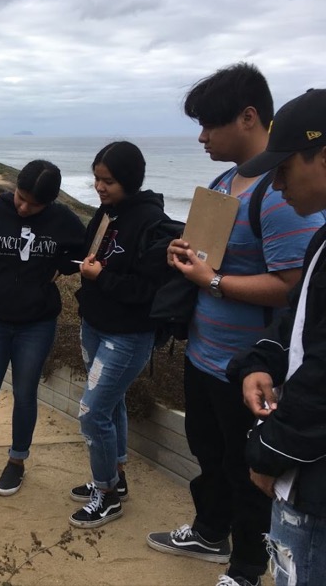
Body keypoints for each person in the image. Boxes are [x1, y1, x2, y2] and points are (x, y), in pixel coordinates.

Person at [145, 63, 324, 586]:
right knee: (211, 454)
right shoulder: (228, 181)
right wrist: (188, 255)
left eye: (209, 123)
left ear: (248, 117)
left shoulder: (285, 194)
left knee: (249, 474)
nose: (200, 136)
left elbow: (293, 285)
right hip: (207, 354)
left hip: (249, 368)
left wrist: (213, 281)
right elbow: (214, 258)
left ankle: (246, 568)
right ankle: (209, 530)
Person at [227, 88, 326, 586]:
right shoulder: (321, 239)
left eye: (285, 168)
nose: (278, 183)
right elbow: (298, 324)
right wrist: (259, 362)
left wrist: (270, 454)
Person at [0, 159, 85, 496]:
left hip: (37, 326)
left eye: (33, 204)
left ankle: (16, 462)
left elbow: (85, 251)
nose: (23, 207)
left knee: (25, 395)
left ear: (50, 202)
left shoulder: (61, 219)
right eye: (20, 197)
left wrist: (60, 266)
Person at [69, 142, 170, 528]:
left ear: (128, 179)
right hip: (95, 323)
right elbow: (90, 254)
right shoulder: (107, 212)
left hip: (127, 335)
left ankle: (106, 495)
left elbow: (150, 291)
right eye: (96, 178)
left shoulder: (150, 221)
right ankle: (116, 479)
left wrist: (102, 277)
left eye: (107, 180)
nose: (99, 186)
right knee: (110, 406)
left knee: (92, 414)